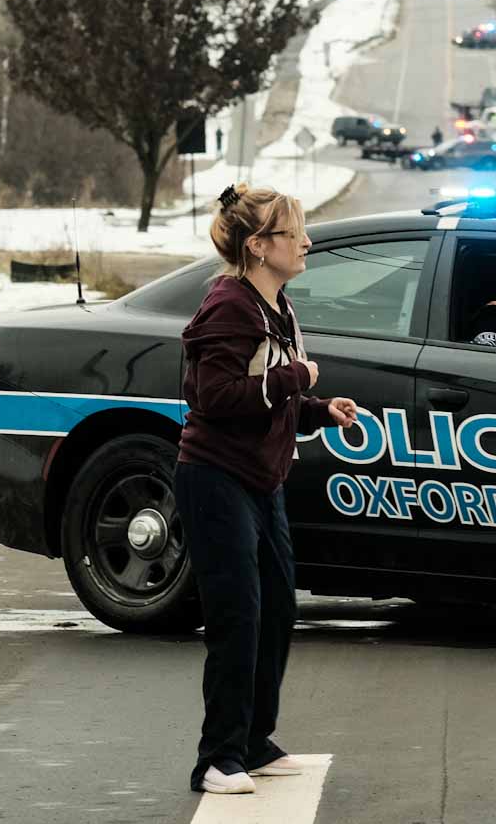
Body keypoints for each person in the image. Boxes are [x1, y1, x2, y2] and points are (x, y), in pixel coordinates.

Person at [175, 183, 359, 796]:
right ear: (257, 246)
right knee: (238, 616)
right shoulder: (229, 305)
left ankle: (254, 741)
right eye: (293, 232)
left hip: (262, 480)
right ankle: (217, 758)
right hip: (215, 478)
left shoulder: (274, 305)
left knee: (278, 609)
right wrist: (295, 375)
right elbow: (214, 398)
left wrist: (316, 407)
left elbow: (265, 398)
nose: (307, 242)